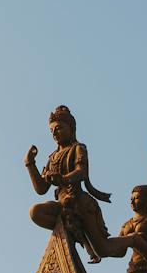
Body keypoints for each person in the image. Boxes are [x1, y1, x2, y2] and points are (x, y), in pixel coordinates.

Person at [26, 105, 111, 262]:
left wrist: (63, 178)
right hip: (63, 202)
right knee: (36, 212)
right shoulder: (53, 157)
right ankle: (73, 234)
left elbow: (82, 172)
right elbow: (41, 189)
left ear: (71, 128)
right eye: (52, 131)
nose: (55, 134)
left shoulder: (78, 148)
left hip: (79, 200)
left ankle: (134, 240)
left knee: (104, 249)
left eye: (58, 128)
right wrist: (30, 164)